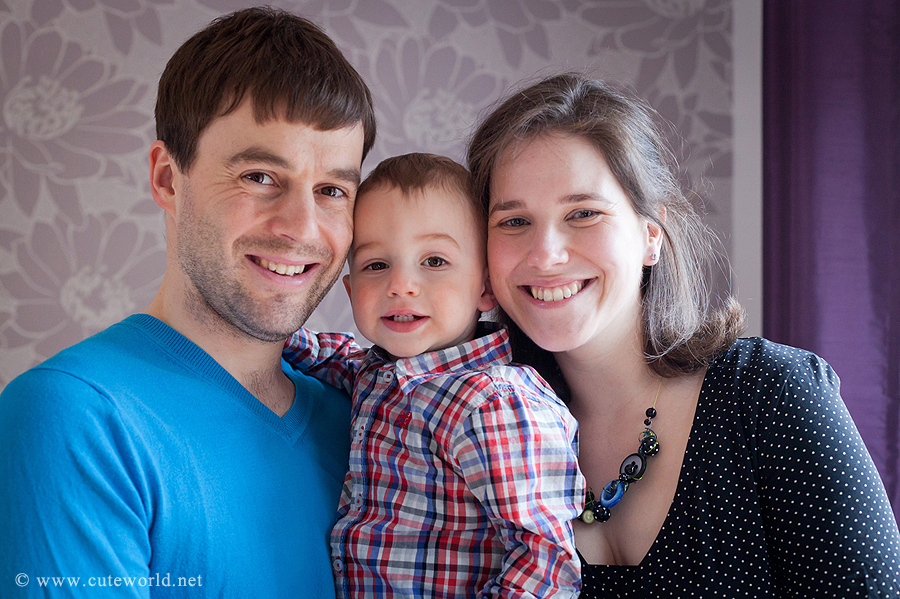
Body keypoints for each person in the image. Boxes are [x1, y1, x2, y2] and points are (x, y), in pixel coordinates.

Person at [466, 72, 900, 597]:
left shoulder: (772, 395)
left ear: (651, 236)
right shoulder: (473, 426)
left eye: (583, 213)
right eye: (513, 222)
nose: (546, 254)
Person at [0, 7, 375, 597]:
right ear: (168, 178)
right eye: (258, 176)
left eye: (332, 190)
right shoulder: (74, 415)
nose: (302, 228)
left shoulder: (368, 423)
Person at [282, 153, 584, 598]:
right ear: (351, 291)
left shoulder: (494, 403)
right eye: (376, 265)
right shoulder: (381, 372)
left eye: (435, 261)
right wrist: (277, 336)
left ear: (485, 287)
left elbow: (544, 562)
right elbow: (343, 359)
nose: (400, 284)